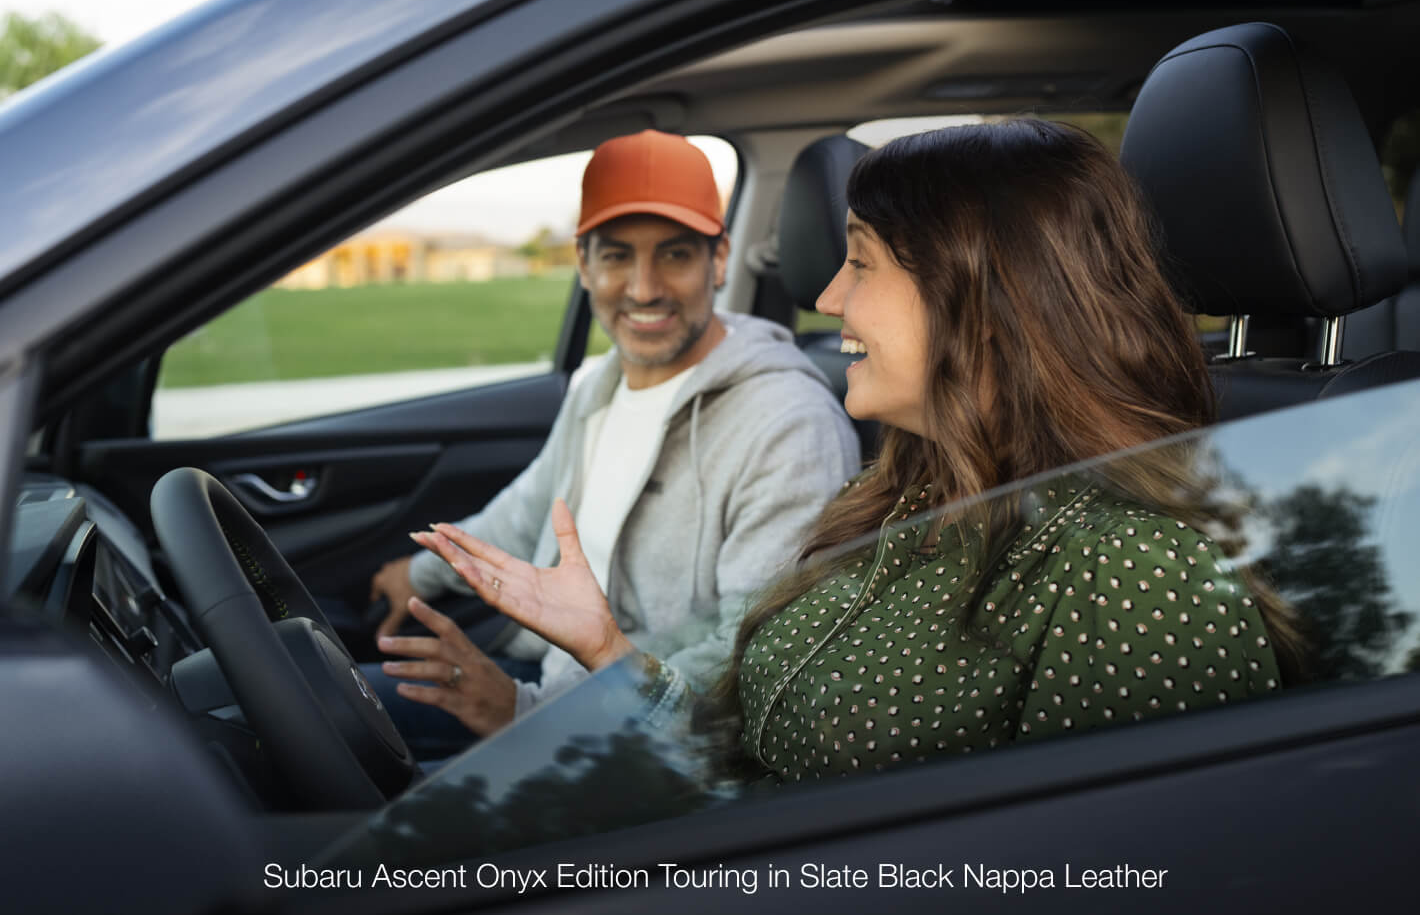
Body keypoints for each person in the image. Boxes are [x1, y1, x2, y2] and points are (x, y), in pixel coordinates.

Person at [410, 119, 1295, 782]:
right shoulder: (905, 490)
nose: (828, 297)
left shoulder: (1134, 572)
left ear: (983, 301)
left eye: (862, 264)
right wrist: (606, 649)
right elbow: (739, 759)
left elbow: (1119, 868)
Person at [372, 129, 860, 751]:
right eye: (617, 256)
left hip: (641, 736)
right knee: (321, 701)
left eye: (675, 255)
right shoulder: (602, 384)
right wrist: (419, 574)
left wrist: (521, 712)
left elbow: (749, 660)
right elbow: (528, 510)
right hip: (551, 682)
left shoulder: (789, 424)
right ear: (584, 264)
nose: (643, 288)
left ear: (718, 260)